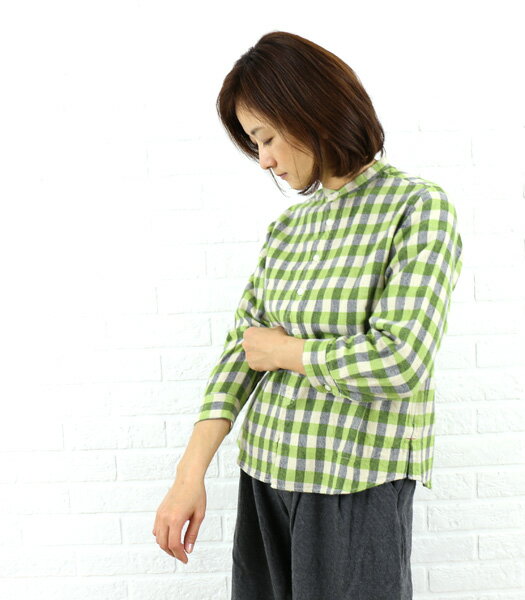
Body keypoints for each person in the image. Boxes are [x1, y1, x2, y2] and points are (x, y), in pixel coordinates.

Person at [152, 31, 463, 600]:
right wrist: (187, 476)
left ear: (311, 111)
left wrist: (285, 351)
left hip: (354, 486)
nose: (265, 160)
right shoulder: (287, 229)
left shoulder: (416, 207)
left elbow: (401, 361)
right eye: (255, 144)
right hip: (263, 476)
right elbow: (238, 356)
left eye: (267, 137)